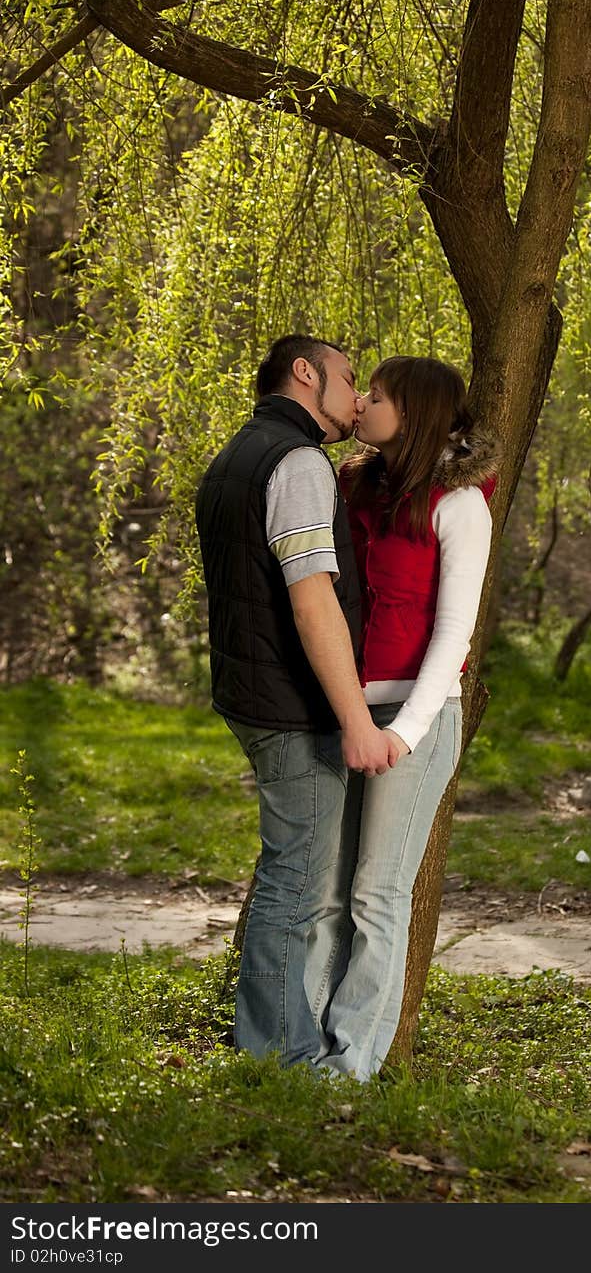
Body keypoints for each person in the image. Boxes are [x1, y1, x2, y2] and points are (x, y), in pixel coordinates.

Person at [194, 333, 401, 1069]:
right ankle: (279, 1061)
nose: (355, 397)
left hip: (251, 695)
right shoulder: (298, 462)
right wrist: (354, 721)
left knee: (294, 879)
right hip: (291, 707)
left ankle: (278, 1048)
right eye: (348, 378)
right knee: (297, 887)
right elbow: (313, 602)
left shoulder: (238, 454)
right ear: (305, 374)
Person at [314, 354, 499, 1082]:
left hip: (415, 718)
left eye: (379, 395)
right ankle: (300, 1048)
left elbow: (454, 636)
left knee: (377, 891)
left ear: (414, 413)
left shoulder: (461, 504)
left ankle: (350, 1063)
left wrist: (404, 733)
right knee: (325, 888)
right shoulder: (354, 486)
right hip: (348, 708)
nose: (362, 402)